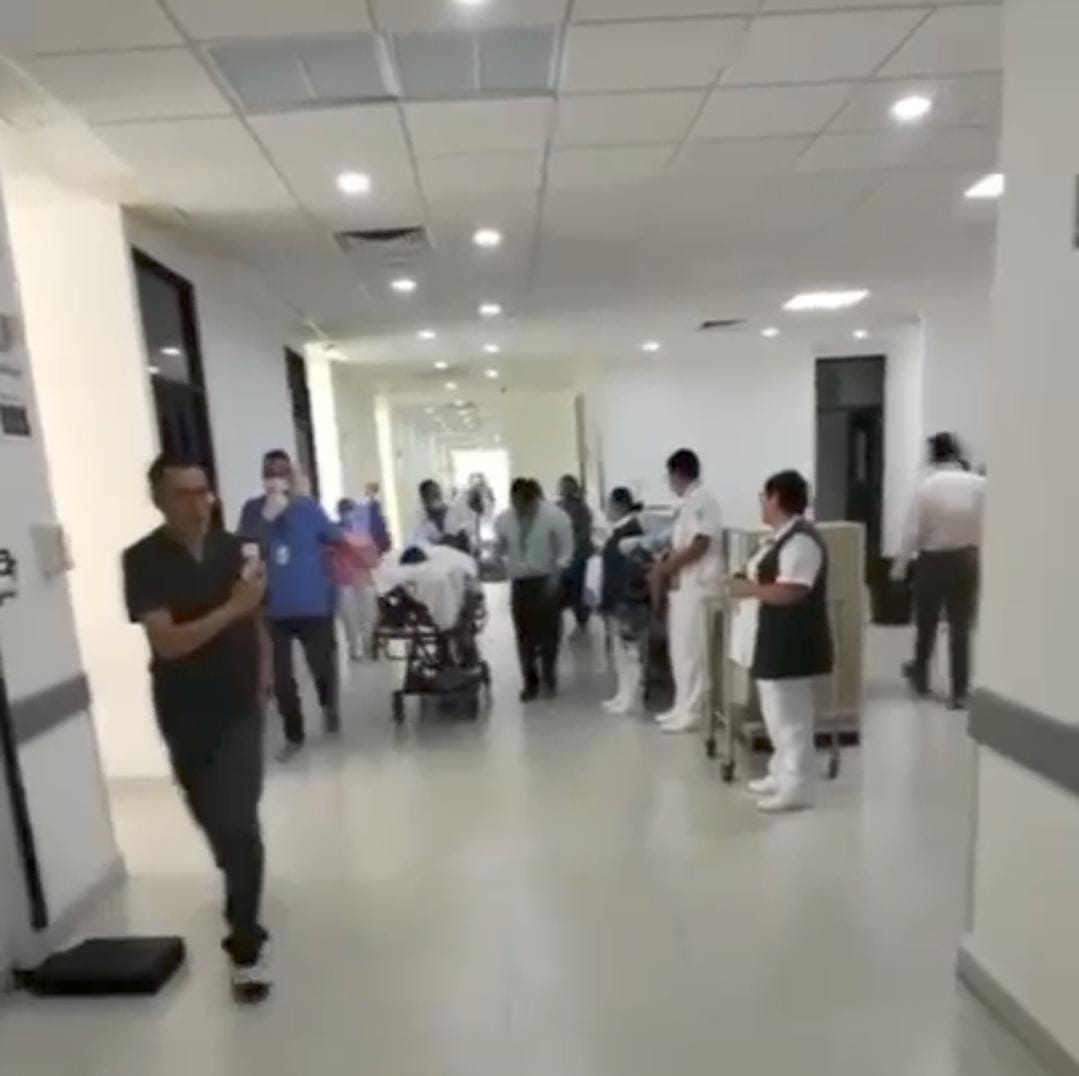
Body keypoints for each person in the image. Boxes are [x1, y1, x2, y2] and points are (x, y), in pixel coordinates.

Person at [122, 453, 272, 1001]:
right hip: (183, 711)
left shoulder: (237, 550)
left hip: (240, 708)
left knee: (239, 823)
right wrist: (232, 609)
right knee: (214, 822)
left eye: (203, 491)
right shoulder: (143, 560)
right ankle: (239, 885)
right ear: (159, 500)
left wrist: (264, 677)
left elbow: (256, 620)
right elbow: (168, 642)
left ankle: (246, 943)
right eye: (184, 493)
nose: (198, 504)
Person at [729, 471, 833, 813]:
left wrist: (749, 589)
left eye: (764, 497)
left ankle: (797, 786)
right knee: (775, 713)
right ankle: (780, 772)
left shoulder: (801, 541)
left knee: (791, 718)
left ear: (777, 499)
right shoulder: (777, 538)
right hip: (768, 636)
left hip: (791, 639)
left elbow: (793, 590)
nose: (761, 503)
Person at [238, 450, 342, 760]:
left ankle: (329, 705)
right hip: (274, 607)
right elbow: (244, 547)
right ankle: (293, 734)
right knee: (281, 677)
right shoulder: (253, 510)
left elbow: (335, 537)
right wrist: (266, 519)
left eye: (282, 472)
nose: (275, 478)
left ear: (291, 476)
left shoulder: (309, 508)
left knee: (322, 666)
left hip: (314, 604)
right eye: (269, 472)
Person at [893, 432, 986, 710]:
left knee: (926, 622)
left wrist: (900, 566)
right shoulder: (980, 485)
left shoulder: (927, 487)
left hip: (932, 561)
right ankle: (959, 691)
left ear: (933, 455)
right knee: (961, 626)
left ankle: (921, 677)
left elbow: (913, 532)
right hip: (967, 558)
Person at [649, 449, 724, 733]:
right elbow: (681, 544)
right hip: (683, 586)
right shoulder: (687, 505)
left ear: (677, 474)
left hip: (700, 586)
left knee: (694, 652)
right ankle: (681, 705)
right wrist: (666, 563)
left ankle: (694, 710)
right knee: (680, 651)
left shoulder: (704, 501)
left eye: (669, 477)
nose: (669, 483)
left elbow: (700, 545)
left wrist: (666, 569)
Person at [495, 478, 574, 701]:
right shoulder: (504, 519)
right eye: (515, 504)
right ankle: (530, 682)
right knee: (524, 635)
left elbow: (565, 551)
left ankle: (549, 675)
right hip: (520, 583)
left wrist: (556, 578)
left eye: (523, 505)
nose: (519, 510)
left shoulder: (555, 517)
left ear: (533, 500)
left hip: (547, 580)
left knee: (549, 634)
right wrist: (498, 556)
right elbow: (501, 546)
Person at [599, 487, 645, 715]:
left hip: (626, 600)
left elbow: (632, 570)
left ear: (619, 506)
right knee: (618, 651)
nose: (606, 510)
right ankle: (621, 693)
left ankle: (631, 697)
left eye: (608, 505)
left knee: (629, 651)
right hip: (615, 599)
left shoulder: (631, 532)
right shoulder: (617, 532)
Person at [331, 498, 381, 662]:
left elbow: (373, 558)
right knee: (350, 617)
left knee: (368, 615)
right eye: (344, 511)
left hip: (363, 579)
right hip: (344, 580)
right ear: (339, 513)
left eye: (350, 510)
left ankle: (368, 645)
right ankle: (355, 648)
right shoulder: (334, 532)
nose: (348, 514)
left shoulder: (362, 531)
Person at [558, 475, 595, 631]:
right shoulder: (556, 507)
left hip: (579, 557)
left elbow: (584, 534)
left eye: (567, 486)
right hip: (561, 558)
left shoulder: (582, 509)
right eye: (562, 486)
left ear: (574, 489)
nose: (564, 490)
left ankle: (582, 622)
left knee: (578, 592)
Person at [411, 479, 470, 550]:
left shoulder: (455, 511)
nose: (437, 498)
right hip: (437, 555)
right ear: (424, 499)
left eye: (438, 494)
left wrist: (459, 539)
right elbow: (420, 544)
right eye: (432, 495)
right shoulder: (420, 520)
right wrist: (441, 544)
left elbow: (467, 533)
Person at [354, 481, 392, 554]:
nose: (370, 492)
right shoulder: (362, 502)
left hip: (376, 527)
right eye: (369, 489)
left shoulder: (376, 503)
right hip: (368, 527)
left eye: (372, 490)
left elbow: (378, 515)